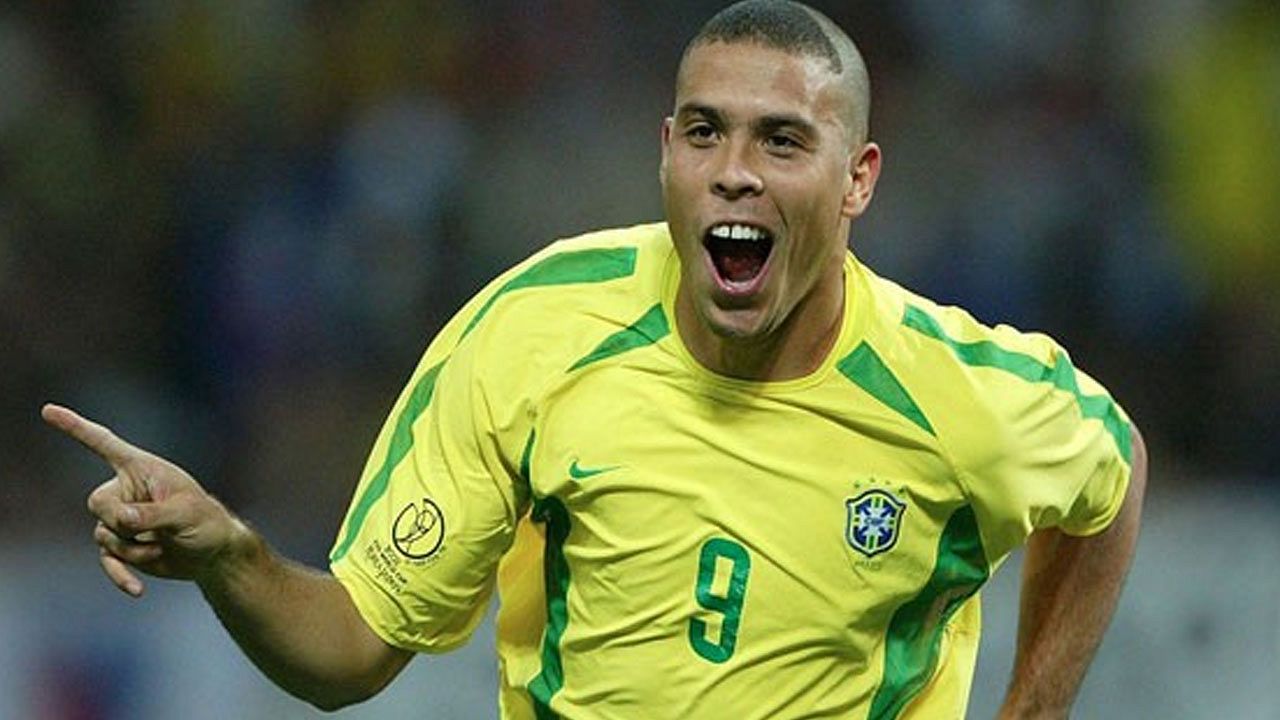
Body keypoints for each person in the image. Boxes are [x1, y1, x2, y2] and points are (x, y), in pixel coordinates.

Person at [44, 1, 1146, 718]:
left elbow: (1111, 469)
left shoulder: (953, 393)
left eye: (781, 140)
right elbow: (351, 650)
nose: (734, 172)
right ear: (665, 154)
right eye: (704, 132)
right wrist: (233, 556)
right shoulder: (537, 331)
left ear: (856, 179)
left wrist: (1032, 709)